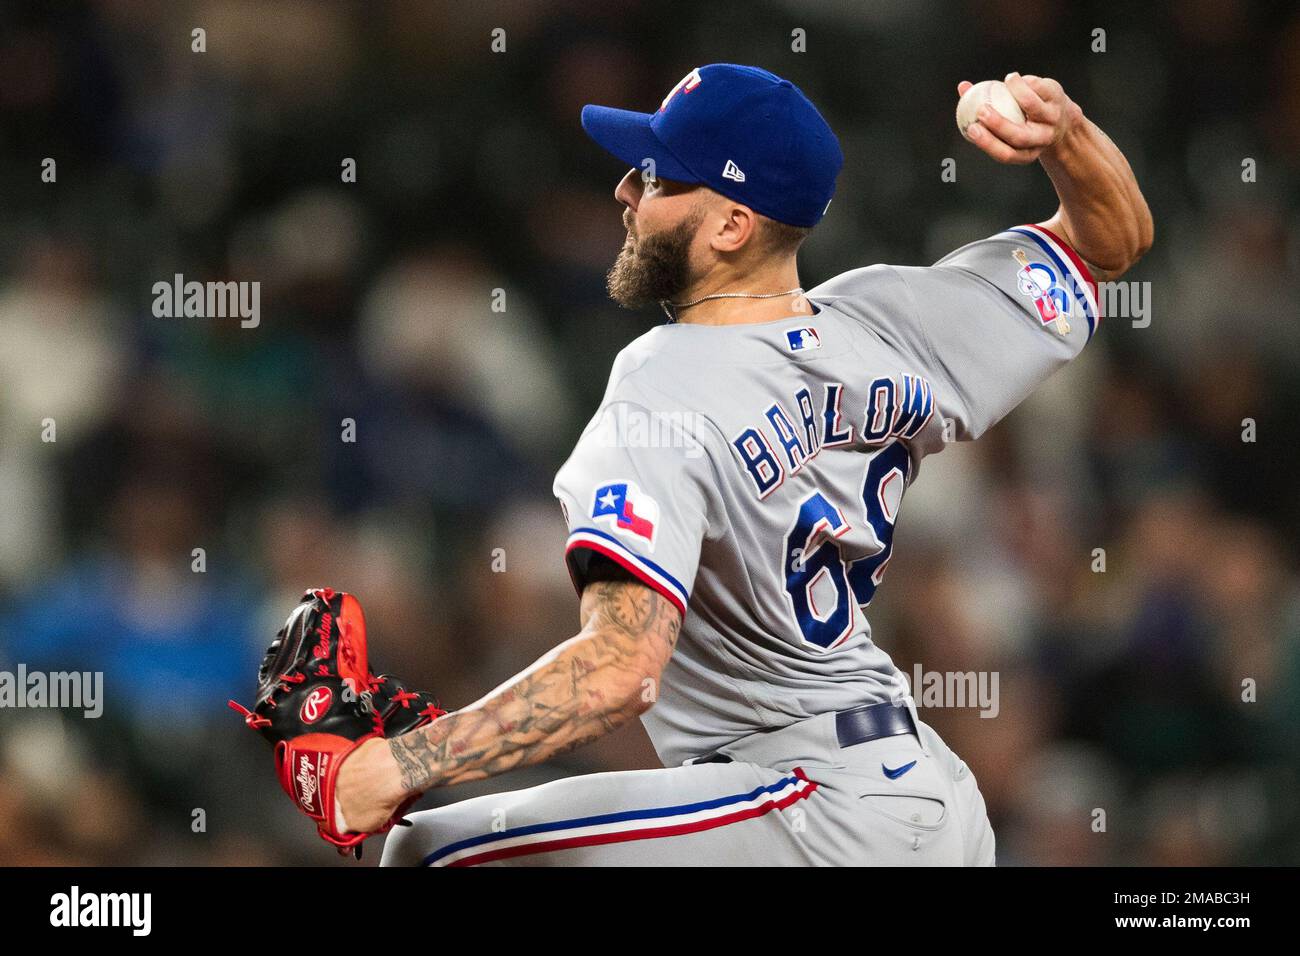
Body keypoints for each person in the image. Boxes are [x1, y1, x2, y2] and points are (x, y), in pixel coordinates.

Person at [336, 63, 1152, 866]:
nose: (625, 192)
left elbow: (619, 670)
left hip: (811, 800)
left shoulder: (662, 386)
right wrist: (1069, 136)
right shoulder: (891, 323)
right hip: (924, 797)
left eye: (657, 180)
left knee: (430, 848)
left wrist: (395, 765)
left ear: (731, 225)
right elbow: (1109, 247)